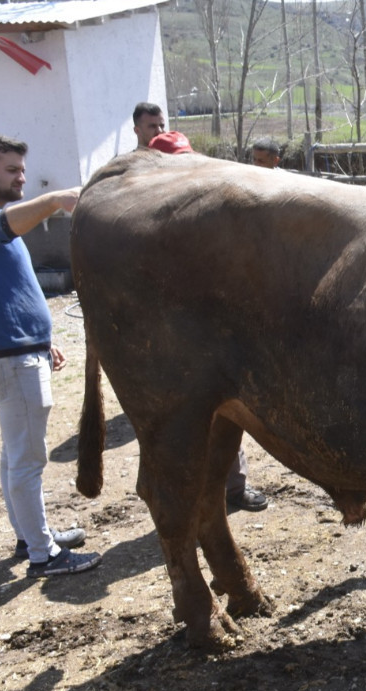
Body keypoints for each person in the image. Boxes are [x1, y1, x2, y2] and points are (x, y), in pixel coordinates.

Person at [0, 134, 102, 578]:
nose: (22, 178)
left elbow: (4, 291)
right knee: (28, 458)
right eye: (11, 170)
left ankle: (30, 533)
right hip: (12, 361)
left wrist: (39, 337)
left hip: (17, 351)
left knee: (16, 454)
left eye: (22, 170)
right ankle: (43, 553)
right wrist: (53, 200)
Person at [143, 124, 271, 513]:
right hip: (176, 336)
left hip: (213, 329)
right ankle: (181, 500)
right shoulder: (147, 215)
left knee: (228, 413)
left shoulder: (203, 207)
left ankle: (231, 489)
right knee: (183, 424)